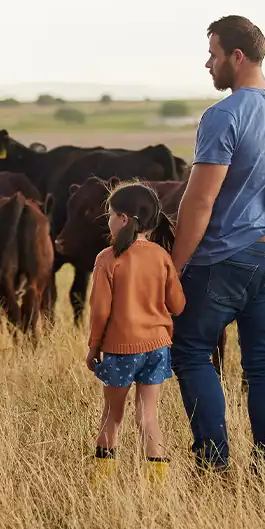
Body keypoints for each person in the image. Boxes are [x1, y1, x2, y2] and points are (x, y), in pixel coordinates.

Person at [167, 15, 265, 474]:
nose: (207, 63)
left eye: (213, 54)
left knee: (190, 350)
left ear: (236, 56)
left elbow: (199, 201)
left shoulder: (223, 116)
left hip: (229, 256)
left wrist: (172, 269)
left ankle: (213, 464)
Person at [84, 182, 186, 485]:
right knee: (148, 417)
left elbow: (100, 311)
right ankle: (157, 487)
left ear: (124, 219)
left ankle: (100, 485)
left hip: (120, 349)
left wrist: (93, 348)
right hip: (157, 348)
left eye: (111, 214)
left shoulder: (107, 259)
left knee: (112, 417)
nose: (109, 220)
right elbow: (178, 306)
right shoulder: (160, 256)